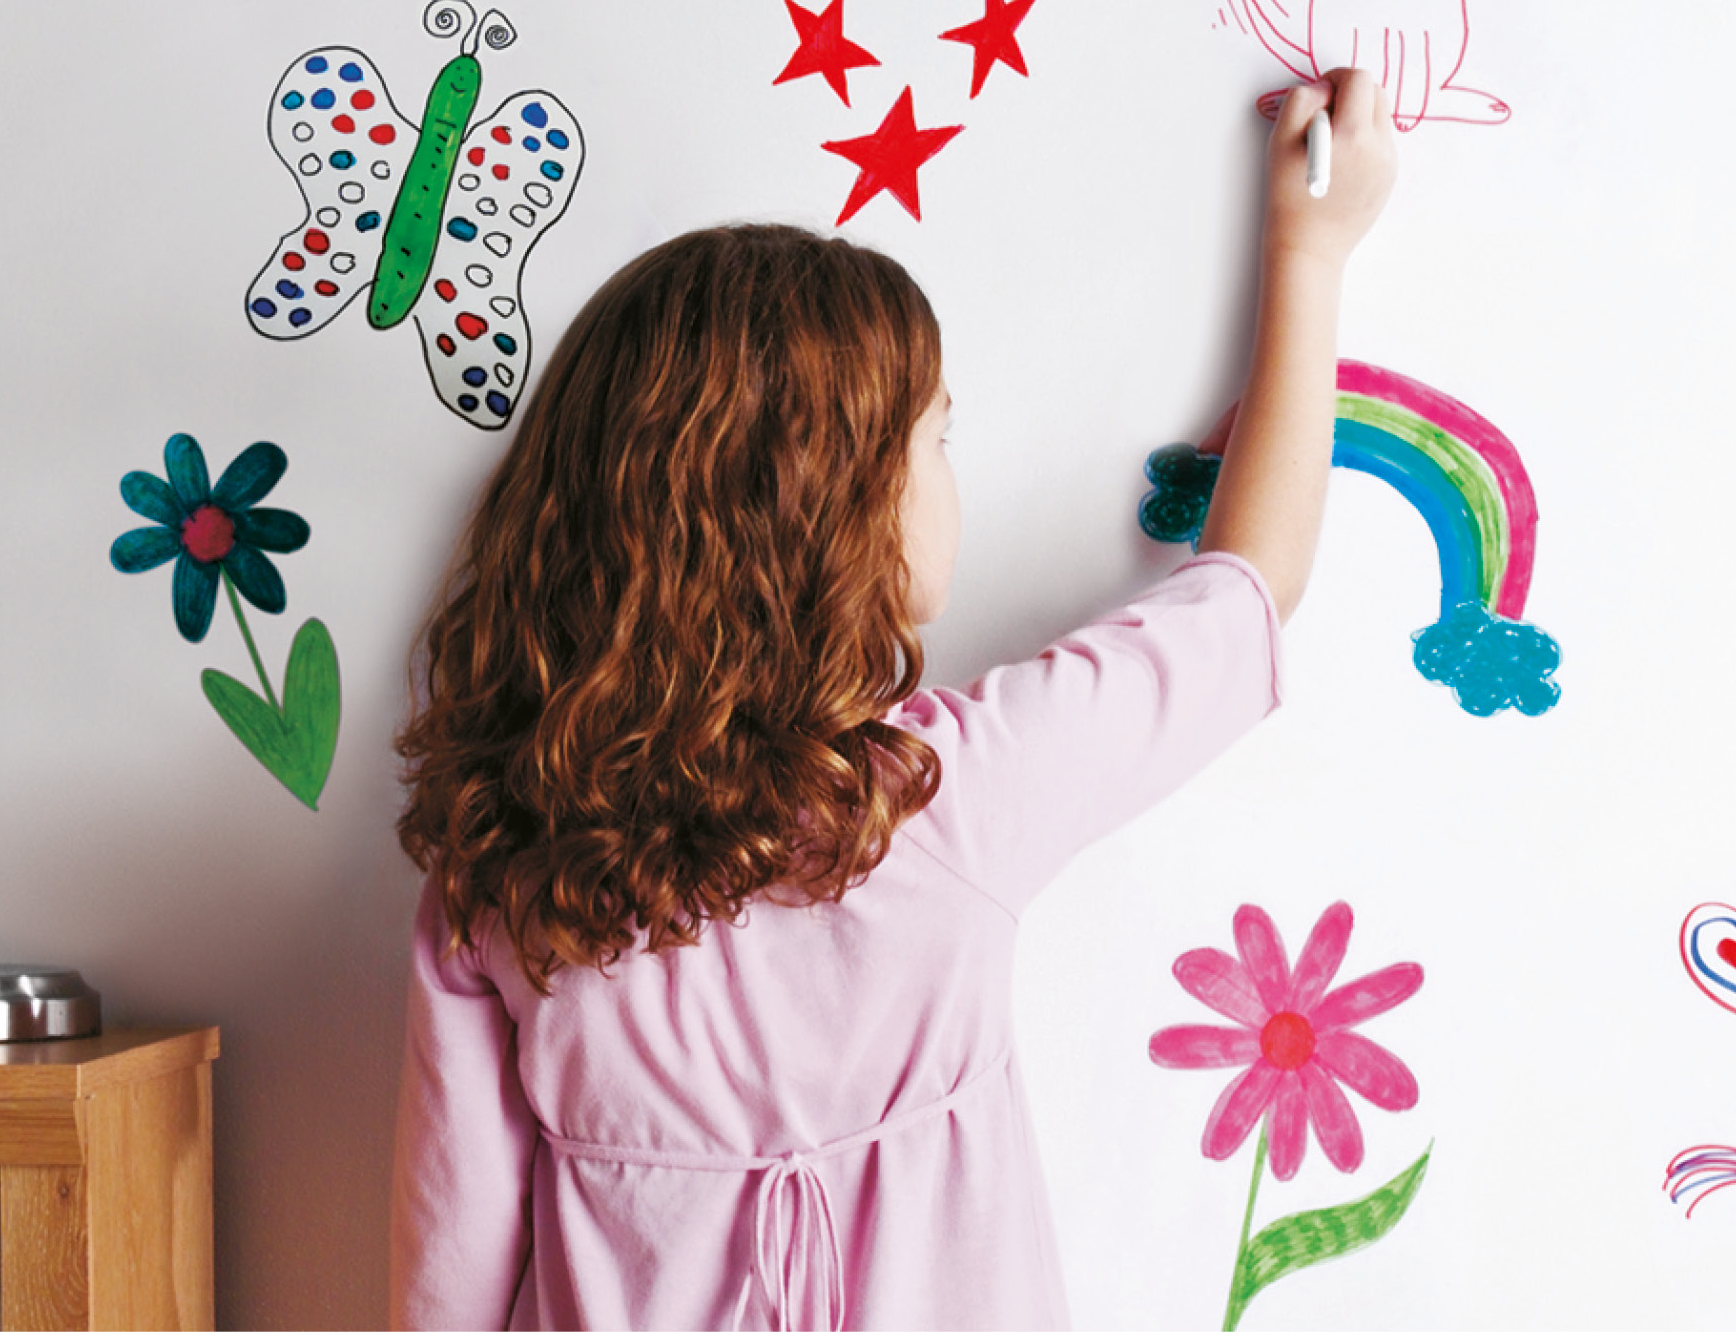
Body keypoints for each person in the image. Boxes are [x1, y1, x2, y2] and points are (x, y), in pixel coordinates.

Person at [391, 70, 1397, 1329]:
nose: (947, 470)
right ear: (838, 519)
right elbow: (1244, 595)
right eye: (936, 437)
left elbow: (451, 1270)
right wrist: (1309, 248)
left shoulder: (501, 869)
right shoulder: (945, 799)